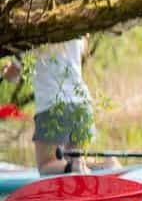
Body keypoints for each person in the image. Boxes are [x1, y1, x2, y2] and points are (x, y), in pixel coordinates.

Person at [2, 36, 102, 174]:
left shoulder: (30, 37)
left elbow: (13, 75)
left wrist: (6, 70)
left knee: (46, 165)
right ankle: (107, 164)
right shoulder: (74, 32)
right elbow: (83, 47)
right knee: (76, 159)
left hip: (53, 105)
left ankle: (74, 167)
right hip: (82, 103)